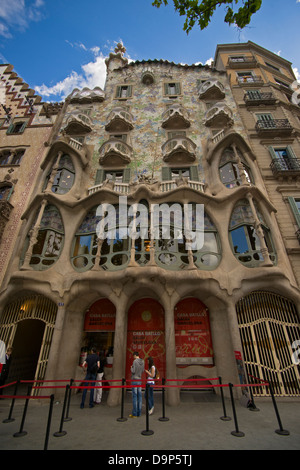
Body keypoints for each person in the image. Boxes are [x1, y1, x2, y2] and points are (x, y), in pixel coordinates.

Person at [129, 351, 144, 418]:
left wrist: (131, 367)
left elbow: (133, 371)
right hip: (139, 379)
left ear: (135, 355)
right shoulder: (142, 361)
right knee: (140, 396)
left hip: (134, 379)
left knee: (135, 396)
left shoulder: (135, 361)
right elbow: (143, 370)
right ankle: (139, 412)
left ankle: (134, 413)